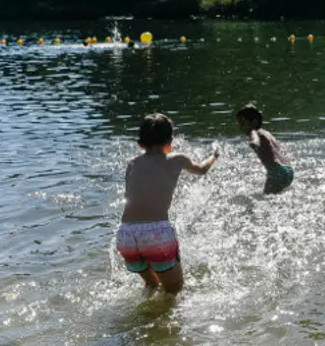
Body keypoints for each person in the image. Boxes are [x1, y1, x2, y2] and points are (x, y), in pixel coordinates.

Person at [115, 114, 219, 293]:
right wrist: (214, 156)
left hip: (126, 234)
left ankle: (146, 309)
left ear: (141, 143)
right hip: (156, 233)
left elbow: (130, 195)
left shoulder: (132, 163)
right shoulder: (177, 159)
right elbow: (202, 170)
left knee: (152, 285)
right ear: (170, 140)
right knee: (174, 291)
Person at [236, 103, 294, 194]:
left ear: (254, 121)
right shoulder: (267, 133)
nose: (241, 127)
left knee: (266, 198)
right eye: (239, 124)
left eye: (243, 123)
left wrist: (254, 143)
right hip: (288, 170)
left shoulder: (253, 131)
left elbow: (255, 139)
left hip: (276, 172)